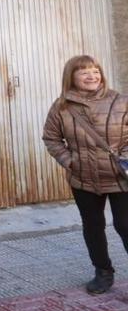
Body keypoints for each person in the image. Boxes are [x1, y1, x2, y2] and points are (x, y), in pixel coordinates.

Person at [43, 55, 128, 296]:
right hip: (84, 178)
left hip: (120, 176)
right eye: (84, 72)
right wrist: (70, 161)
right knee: (93, 226)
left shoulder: (121, 101)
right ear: (72, 77)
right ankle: (103, 272)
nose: (92, 76)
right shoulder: (62, 107)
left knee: (125, 225)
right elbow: (51, 138)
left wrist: (125, 157)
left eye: (95, 71)